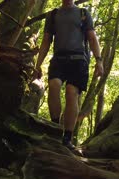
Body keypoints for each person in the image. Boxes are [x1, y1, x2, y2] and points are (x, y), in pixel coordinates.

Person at [34, 0, 104, 149]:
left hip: (78, 60)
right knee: (54, 85)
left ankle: (67, 138)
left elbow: (92, 38)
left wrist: (99, 60)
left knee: (71, 93)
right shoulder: (53, 15)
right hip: (58, 59)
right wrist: (38, 64)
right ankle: (55, 128)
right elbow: (46, 40)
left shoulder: (83, 14)